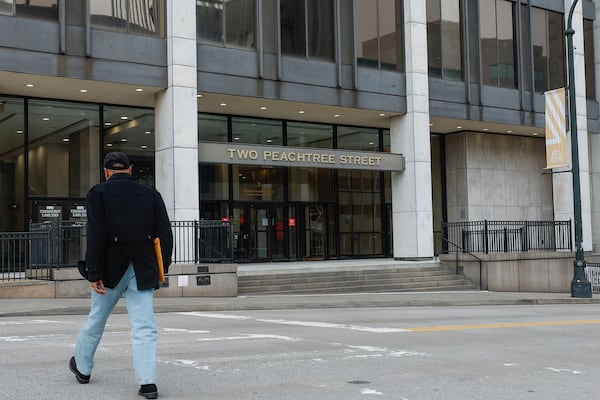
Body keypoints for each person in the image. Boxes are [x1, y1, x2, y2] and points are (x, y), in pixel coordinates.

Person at [69, 151, 173, 400]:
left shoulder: (98, 194)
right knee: (144, 325)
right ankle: (147, 383)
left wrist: (93, 272)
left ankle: (83, 369)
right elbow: (165, 234)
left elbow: (96, 236)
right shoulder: (151, 194)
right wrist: (162, 269)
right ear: (130, 169)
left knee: (96, 319)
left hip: (110, 269)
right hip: (143, 266)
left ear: (106, 172)